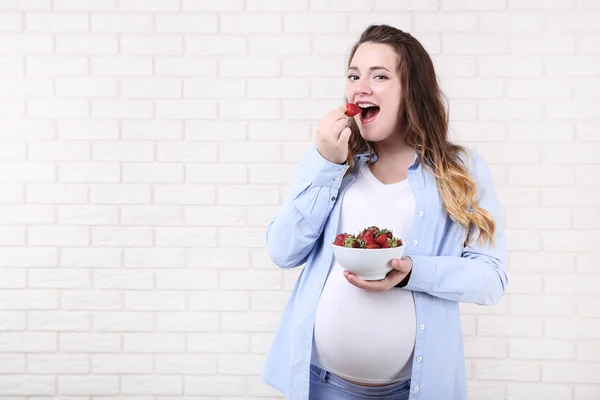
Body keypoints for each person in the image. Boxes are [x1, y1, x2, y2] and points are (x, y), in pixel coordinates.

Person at [260, 24, 508, 400]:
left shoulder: (460, 170)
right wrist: (327, 163)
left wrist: (413, 272)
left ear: (412, 91)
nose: (361, 86)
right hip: (322, 385)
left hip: (414, 391)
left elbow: (491, 279)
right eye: (353, 75)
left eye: (380, 76)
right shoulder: (332, 163)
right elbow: (283, 250)